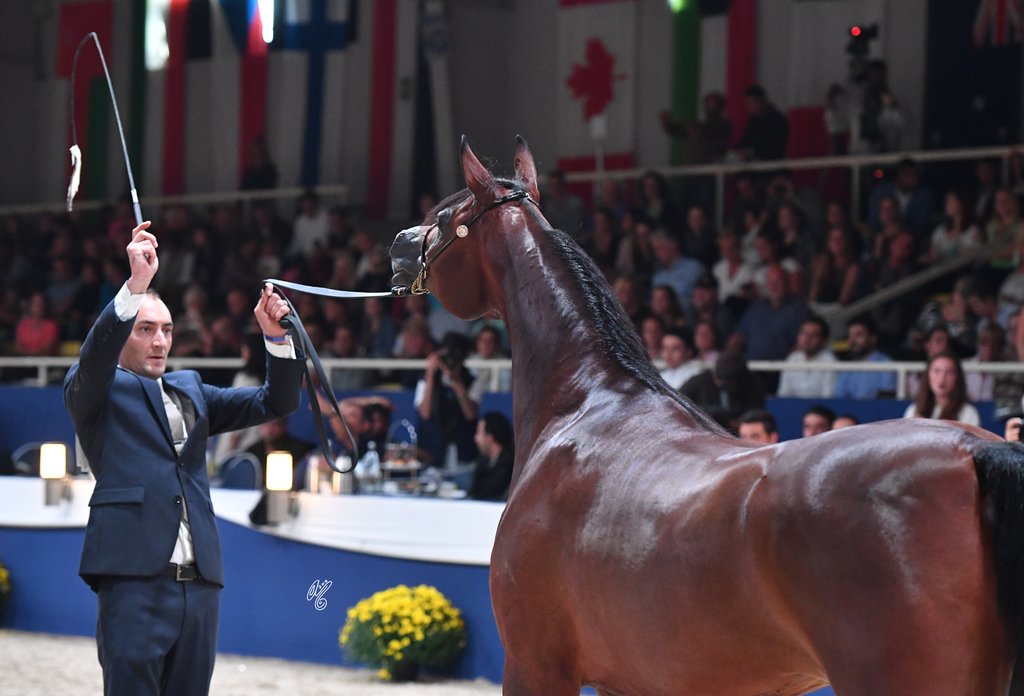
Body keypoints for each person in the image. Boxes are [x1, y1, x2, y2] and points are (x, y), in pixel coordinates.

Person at [63, 222, 306, 696]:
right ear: (124, 333)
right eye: (145, 329)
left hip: (200, 586)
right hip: (132, 580)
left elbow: (276, 403)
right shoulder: (96, 389)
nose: (159, 342)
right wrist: (133, 287)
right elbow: (94, 359)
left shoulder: (191, 388)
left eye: (167, 330)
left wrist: (275, 338)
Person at [415, 332, 479, 466]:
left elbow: (470, 414)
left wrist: (456, 381)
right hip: (434, 450)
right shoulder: (426, 379)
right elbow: (425, 413)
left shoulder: (472, 380)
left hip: (463, 449)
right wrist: (430, 376)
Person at [680, 350, 766, 432]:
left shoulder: (754, 386)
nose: (717, 381)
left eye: (723, 383)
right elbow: (676, 404)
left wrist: (740, 424)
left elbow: (758, 419)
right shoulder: (697, 383)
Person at [903, 353, 980, 427]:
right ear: (928, 376)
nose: (942, 378)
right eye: (937, 371)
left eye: (949, 372)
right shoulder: (914, 409)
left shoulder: (968, 412)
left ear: (957, 378)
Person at [659, 91, 732, 165]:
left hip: (710, 167)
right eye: (708, 103)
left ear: (721, 105)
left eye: (714, 103)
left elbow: (716, 141)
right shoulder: (699, 125)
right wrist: (665, 121)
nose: (711, 106)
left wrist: (696, 133)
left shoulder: (724, 125)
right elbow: (674, 130)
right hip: (691, 169)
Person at [833, 316, 897, 399]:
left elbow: (887, 399)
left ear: (872, 338)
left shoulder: (886, 364)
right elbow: (839, 397)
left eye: (858, 335)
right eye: (850, 336)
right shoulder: (848, 367)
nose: (852, 341)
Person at [244, 418, 315, 490]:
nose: (270, 429)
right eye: (265, 425)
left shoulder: (300, 450)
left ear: (284, 425)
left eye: (275, 424)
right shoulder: (251, 453)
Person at [777, 315, 837, 398]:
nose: (807, 339)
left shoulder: (830, 361)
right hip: (794, 408)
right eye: (804, 333)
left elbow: (828, 396)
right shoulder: (792, 359)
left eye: (813, 335)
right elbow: (784, 394)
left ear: (823, 340)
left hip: (819, 409)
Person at [651, 229, 706, 308]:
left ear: (674, 245)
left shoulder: (694, 269)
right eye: (655, 250)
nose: (657, 254)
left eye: (660, 248)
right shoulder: (658, 277)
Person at [733, 85, 790, 161]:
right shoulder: (753, 120)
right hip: (753, 165)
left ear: (761, 101)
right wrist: (738, 149)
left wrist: (751, 152)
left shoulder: (778, 120)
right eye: (748, 104)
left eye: (752, 104)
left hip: (771, 166)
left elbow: (775, 148)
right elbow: (746, 140)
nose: (749, 108)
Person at [470, 412, 515, 501]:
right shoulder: (483, 465)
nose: (476, 439)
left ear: (490, 438)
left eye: (479, 433)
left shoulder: (509, 468)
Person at [544, 169, 588, 240]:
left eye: (555, 186)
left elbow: (576, 229)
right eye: (550, 186)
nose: (553, 189)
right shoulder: (549, 205)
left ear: (563, 185)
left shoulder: (575, 204)